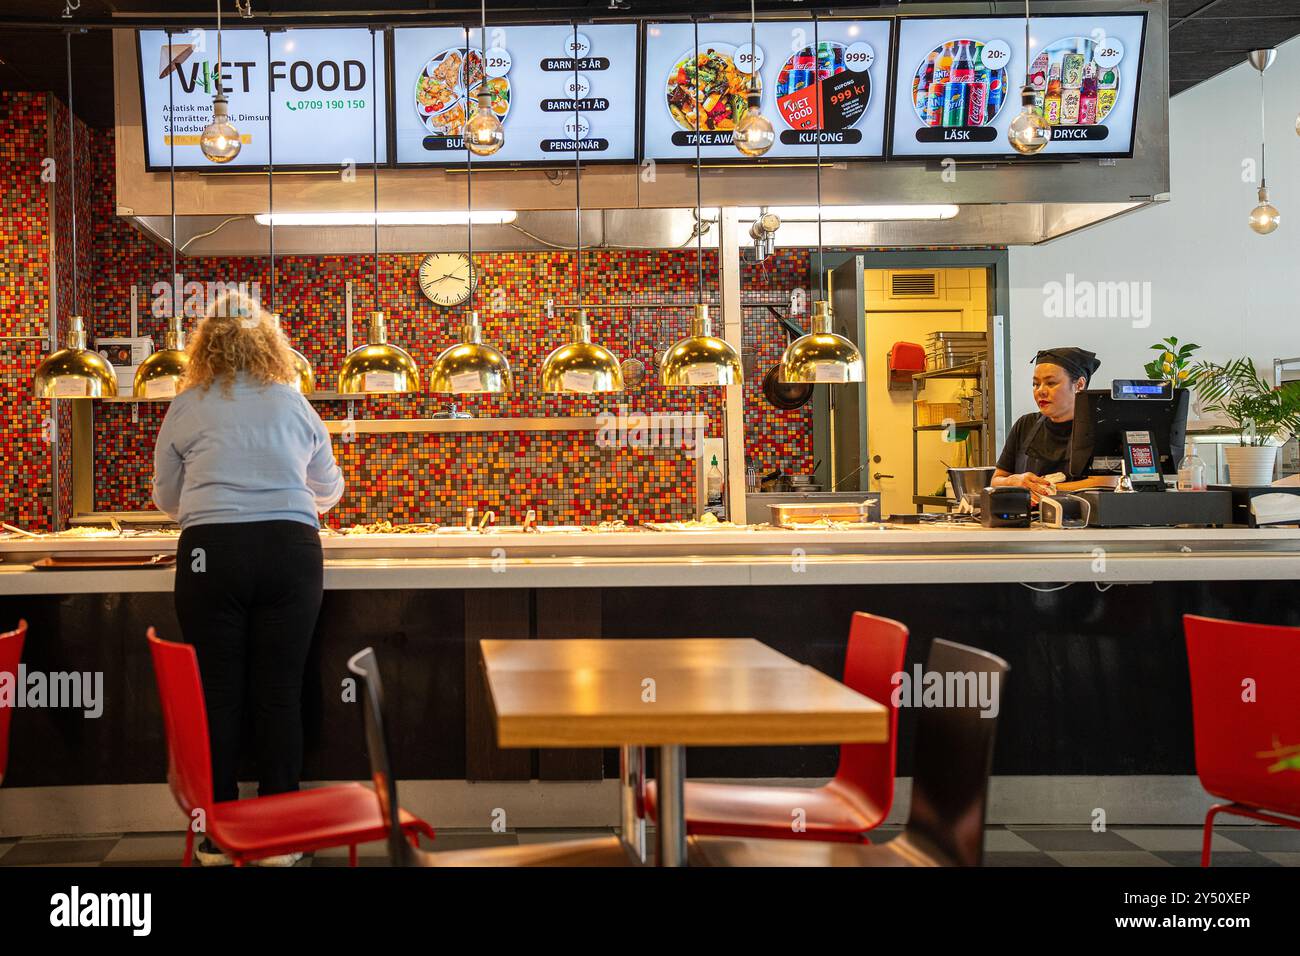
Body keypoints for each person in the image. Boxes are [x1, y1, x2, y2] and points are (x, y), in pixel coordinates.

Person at [151, 291, 343, 866]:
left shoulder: (186, 404)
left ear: (205, 344)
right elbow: (328, 490)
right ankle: (280, 839)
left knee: (219, 697)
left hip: (212, 554)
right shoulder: (293, 402)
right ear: (269, 344)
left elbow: (165, 497)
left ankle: (218, 836)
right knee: (280, 695)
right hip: (290, 550)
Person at [992, 347, 1109, 501]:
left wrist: (1046, 489)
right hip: (1030, 522)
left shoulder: (1102, 426)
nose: (1040, 391)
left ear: (1079, 385)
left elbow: (1106, 482)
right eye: (1035, 384)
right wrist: (1012, 481)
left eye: (1051, 383)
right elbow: (996, 480)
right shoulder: (1025, 424)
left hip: (1082, 521)